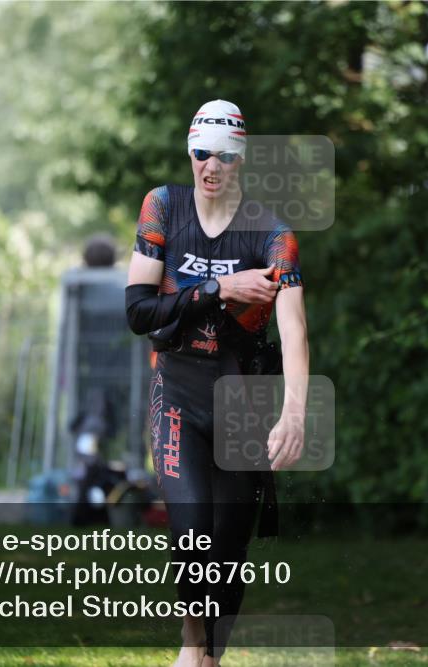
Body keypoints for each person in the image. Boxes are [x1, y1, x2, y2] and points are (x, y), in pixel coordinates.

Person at [125, 99, 309, 667]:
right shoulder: (163, 206)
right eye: (202, 153)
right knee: (190, 532)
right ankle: (192, 647)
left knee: (228, 547)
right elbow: (138, 311)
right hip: (176, 390)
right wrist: (219, 289)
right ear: (190, 152)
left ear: (241, 159)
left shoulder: (272, 236)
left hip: (241, 401)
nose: (212, 165)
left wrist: (294, 413)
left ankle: (209, 657)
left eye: (225, 156)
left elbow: (294, 329)